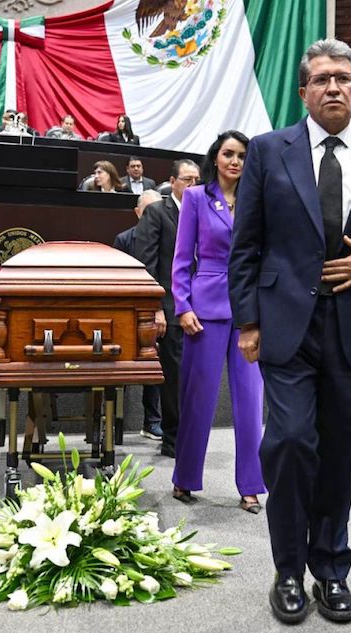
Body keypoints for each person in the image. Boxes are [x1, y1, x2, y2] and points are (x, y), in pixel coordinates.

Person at [228, 38, 351, 624]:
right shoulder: (266, 151)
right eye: (322, 78)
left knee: (338, 454)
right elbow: (247, 246)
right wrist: (247, 322)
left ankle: (330, 570)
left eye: (344, 78)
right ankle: (287, 571)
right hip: (287, 327)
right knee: (286, 443)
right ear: (303, 90)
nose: (334, 87)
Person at [169, 131, 266, 513]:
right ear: (216, 157)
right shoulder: (195, 197)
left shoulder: (257, 200)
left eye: (242, 155)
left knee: (250, 402)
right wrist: (182, 305)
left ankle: (250, 487)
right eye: (229, 154)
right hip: (204, 309)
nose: (235, 161)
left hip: (249, 311)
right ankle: (185, 478)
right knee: (198, 399)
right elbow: (181, 257)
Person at [134, 159, 201, 456]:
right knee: (175, 379)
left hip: (203, 307)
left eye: (197, 180)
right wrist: (156, 308)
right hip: (172, 309)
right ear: (172, 182)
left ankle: (190, 435)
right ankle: (173, 440)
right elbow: (147, 264)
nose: (193, 185)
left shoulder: (203, 212)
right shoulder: (158, 213)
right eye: (187, 179)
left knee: (196, 377)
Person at [114, 190, 164, 439]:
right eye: (148, 212)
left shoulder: (172, 236)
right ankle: (113, 421)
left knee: (156, 366)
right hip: (128, 313)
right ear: (137, 213)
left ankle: (152, 421)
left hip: (161, 314)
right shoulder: (123, 239)